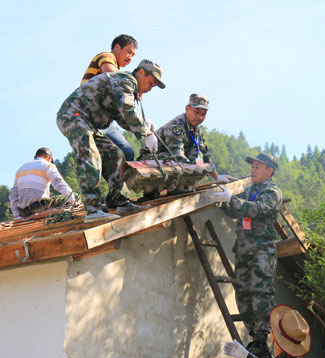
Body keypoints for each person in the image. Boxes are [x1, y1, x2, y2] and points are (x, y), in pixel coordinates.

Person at [57, 59, 165, 222]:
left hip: (89, 123)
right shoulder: (126, 81)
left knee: (115, 155)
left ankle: (119, 200)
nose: (150, 89)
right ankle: (93, 209)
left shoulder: (128, 88)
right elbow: (127, 110)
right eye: (150, 83)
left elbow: (122, 119)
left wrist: (144, 127)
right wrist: (145, 133)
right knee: (89, 154)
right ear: (141, 72)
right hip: (73, 116)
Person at [211, 153, 283, 357]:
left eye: (258, 167)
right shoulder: (249, 190)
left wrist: (231, 199)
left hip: (262, 251)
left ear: (270, 171)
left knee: (260, 294)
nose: (253, 170)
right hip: (243, 249)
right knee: (243, 293)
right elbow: (234, 211)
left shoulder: (272, 191)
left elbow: (258, 209)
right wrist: (222, 198)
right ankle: (253, 336)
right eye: (253, 167)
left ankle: (261, 340)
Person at [139, 93, 233, 183]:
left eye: (203, 114)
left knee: (196, 159)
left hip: (173, 163)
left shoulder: (196, 130)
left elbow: (205, 155)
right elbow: (178, 157)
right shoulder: (176, 127)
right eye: (196, 112)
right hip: (150, 161)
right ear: (187, 108)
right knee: (189, 164)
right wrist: (199, 167)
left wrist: (217, 177)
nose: (199, 117)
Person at [81, 34, 139, 162]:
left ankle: (122, 181)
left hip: (103, 120)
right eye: (128, 52)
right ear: (117, 47)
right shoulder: (107, 56)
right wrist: (133, 88)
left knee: (128, 152)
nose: (130, 58)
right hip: (87, 115)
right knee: (95, 158)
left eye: (133, 56)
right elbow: (113, 77)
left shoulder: (116, 68)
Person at [9, 147, 77, 218]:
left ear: (35, 157)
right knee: (73, 196)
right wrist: (72, 200)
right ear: (49, 158)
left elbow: (13, 195)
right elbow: (59, 183)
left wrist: (16, 215)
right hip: (38, 207)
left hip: (23, 212)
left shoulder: (20, 169)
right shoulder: (47, 165)